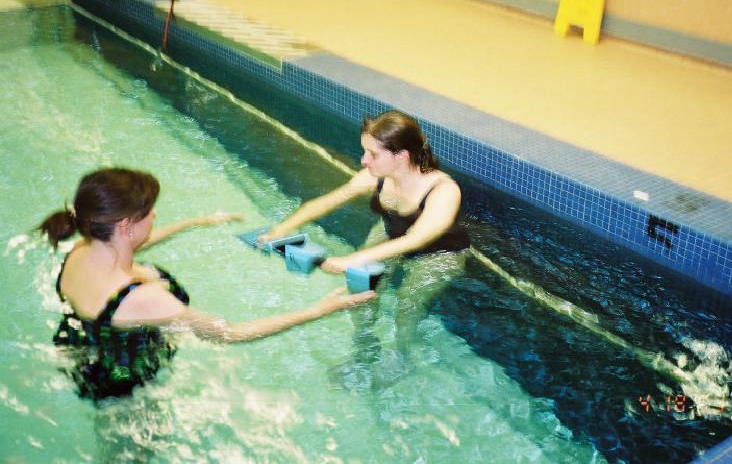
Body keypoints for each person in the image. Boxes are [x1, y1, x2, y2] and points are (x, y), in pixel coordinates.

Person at [39, 167, 375, 401]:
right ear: (126, 225)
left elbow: (135, 242)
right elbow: (231, 332)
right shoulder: (143, 300)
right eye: (150, 211)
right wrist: (319, 310)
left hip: (88, 355)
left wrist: (194, 223)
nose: (155, 216)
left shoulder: (82, 250)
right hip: (128, 387)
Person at [257, 110, 470, 366]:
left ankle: (402, 354)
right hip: (391, 231)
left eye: (373, 154)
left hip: (438, 254)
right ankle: (365, 342)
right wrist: (280, 229)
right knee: (360, 286)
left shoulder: (443, 190)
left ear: (401, 156)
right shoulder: (375, 176)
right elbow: (328, 201)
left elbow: (418, 238)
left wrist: (354, 258)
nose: (363, 160)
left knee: (407, 304)